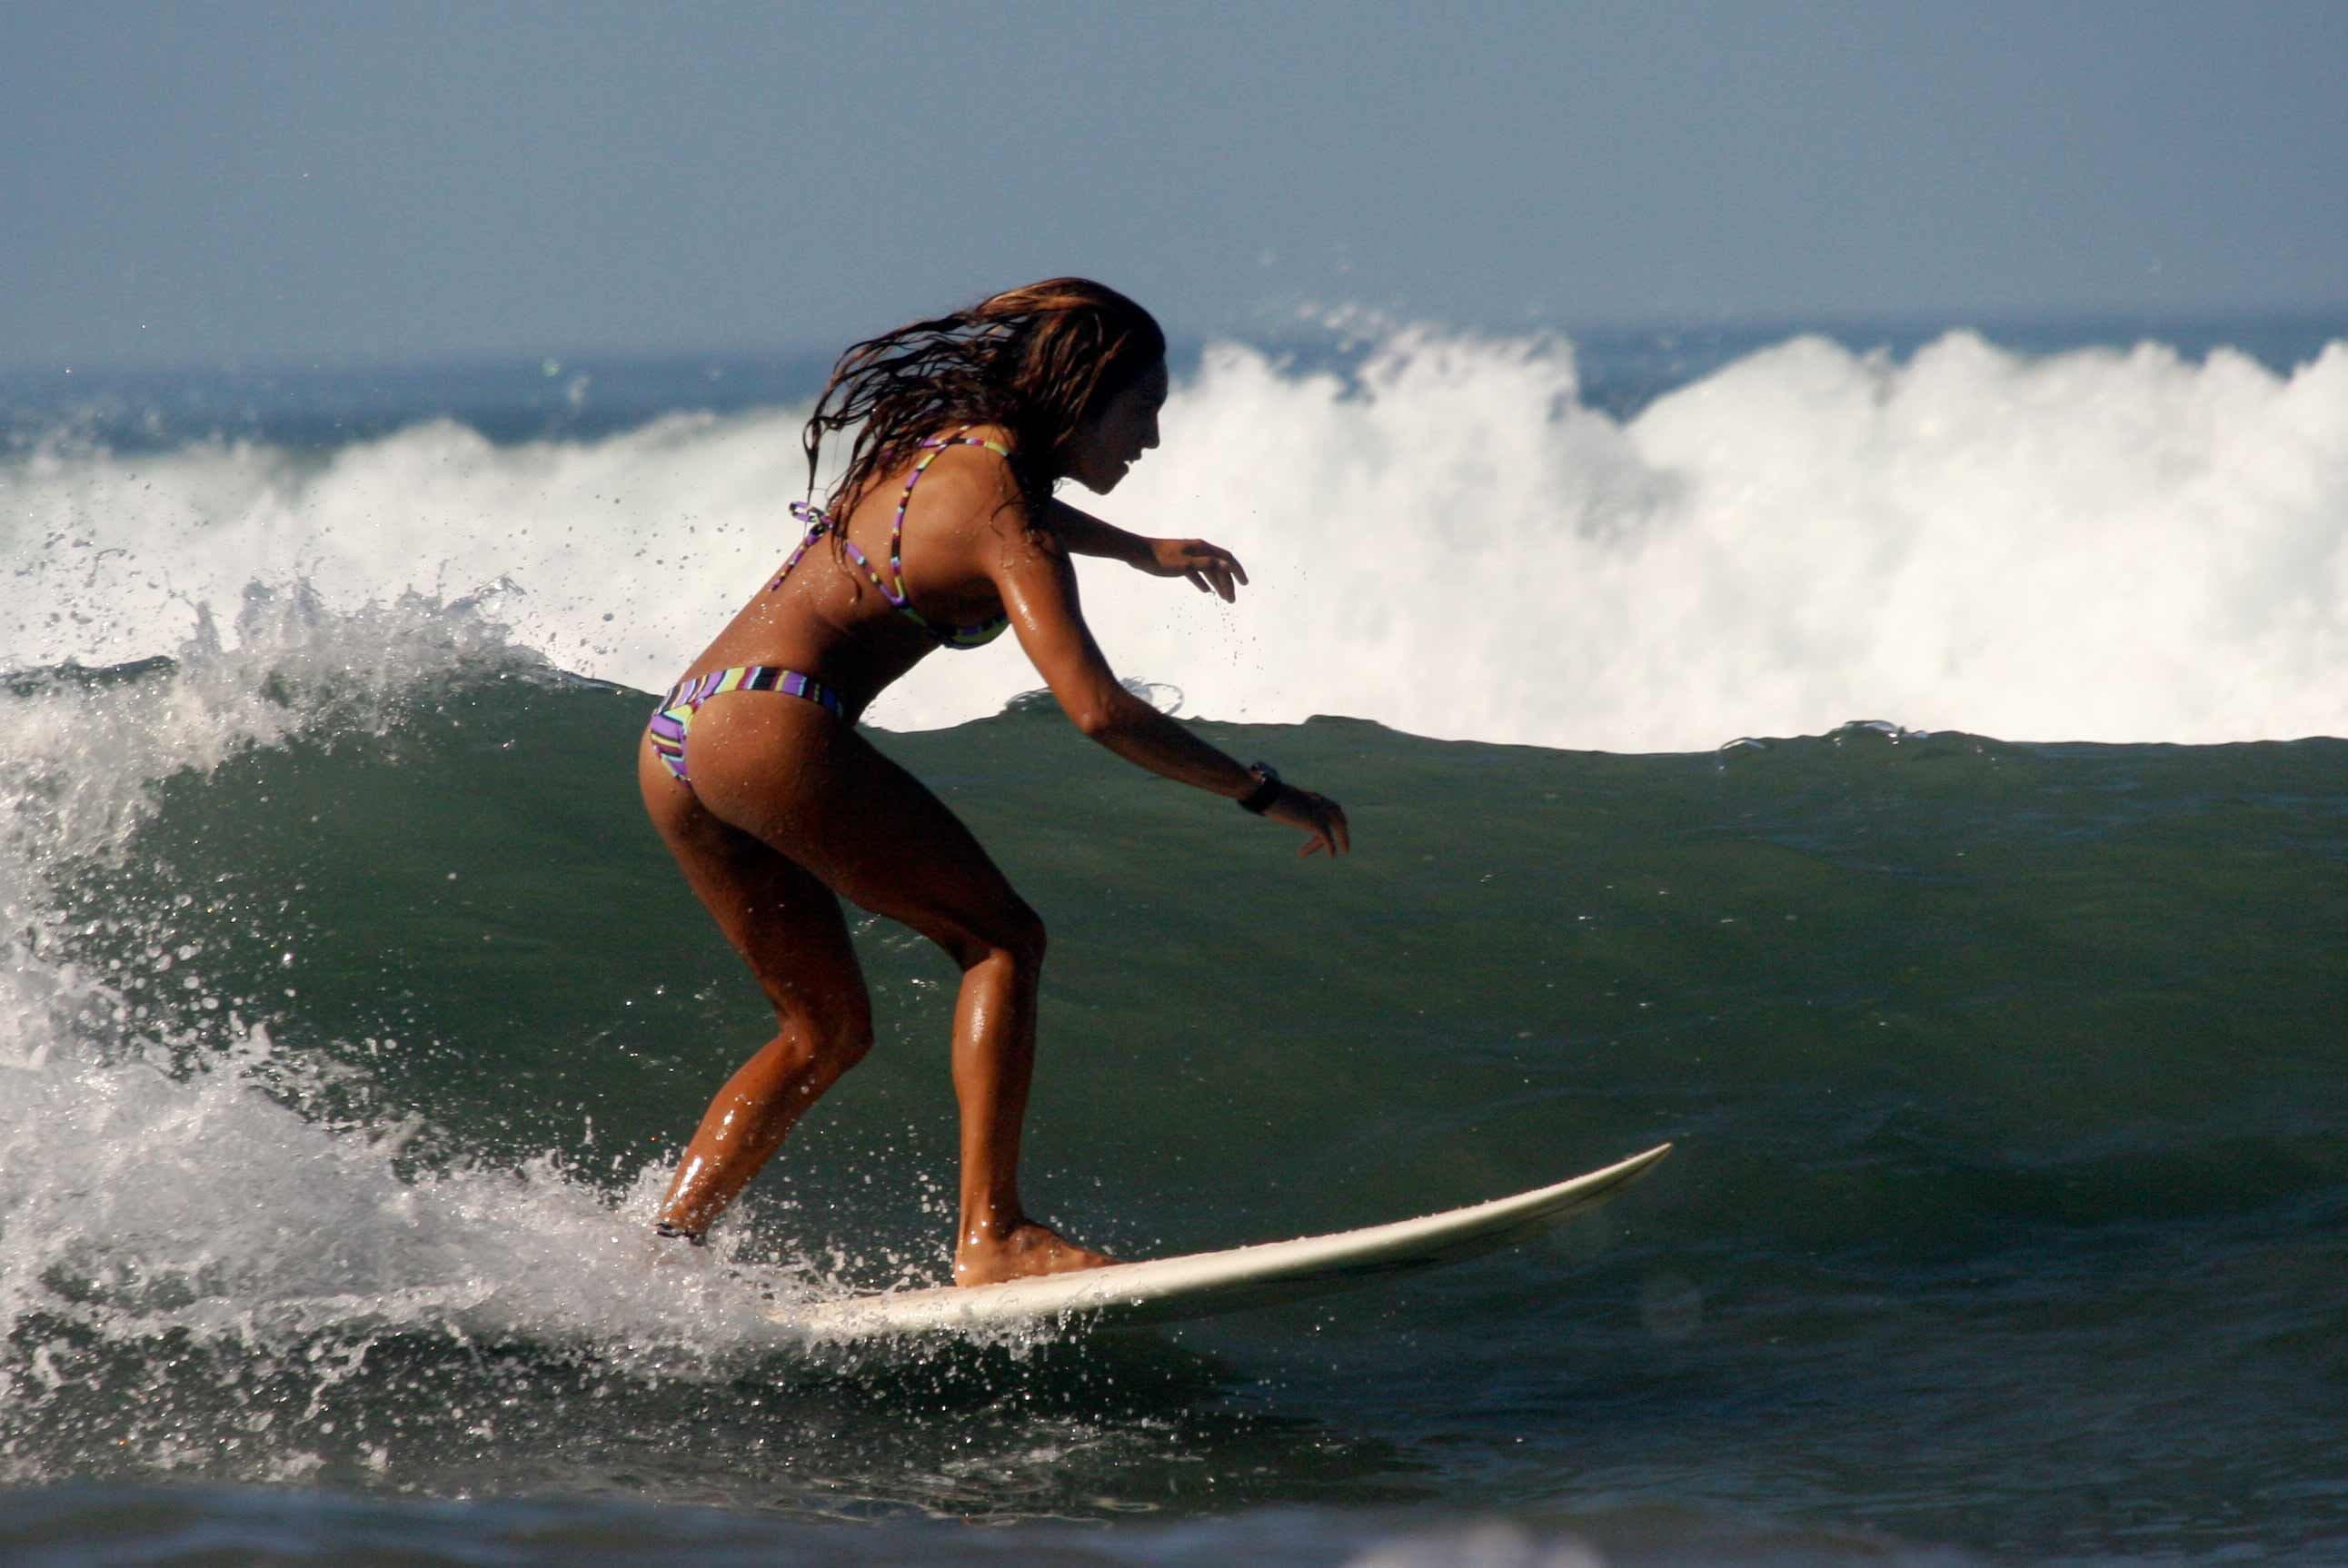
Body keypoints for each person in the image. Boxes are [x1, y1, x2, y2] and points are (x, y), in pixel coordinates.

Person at [637, 279, 1350, 1286]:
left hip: (686, 729)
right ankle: (993, 1233)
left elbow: (996, 517)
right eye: (1140, 410)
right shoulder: (1009, 519)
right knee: (1003, 938)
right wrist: (1261, 789)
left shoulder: (939, 443)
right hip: (774, 725)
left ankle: (664, 1254)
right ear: (1081, 392)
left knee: (824, 1030)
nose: (1147, 439)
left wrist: (1137, 547)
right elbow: (1098, 709)